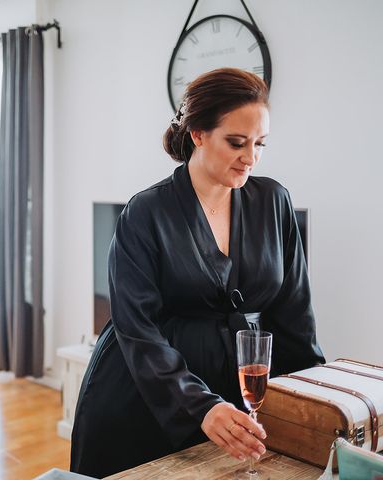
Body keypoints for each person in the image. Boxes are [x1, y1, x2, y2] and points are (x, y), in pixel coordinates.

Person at [70, 68, 325, 478]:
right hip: (147, 392)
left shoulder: (274, 202)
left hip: (239, 387)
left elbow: (295, 313)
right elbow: (137, 328)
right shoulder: (146, 212)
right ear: (198, 134)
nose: (251, 157)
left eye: (260, 144)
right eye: (236, 142)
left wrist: (313, 395)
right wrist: (200, 406)